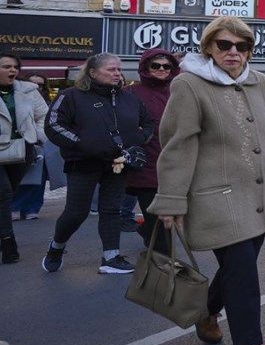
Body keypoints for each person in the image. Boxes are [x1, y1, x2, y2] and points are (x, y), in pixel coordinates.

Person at [150, 16, 265, 345]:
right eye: (224, 45)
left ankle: (207, 312)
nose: (233, 52)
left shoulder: (260, 83)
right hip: (216, 197)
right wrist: (171, 199)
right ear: (208, 47)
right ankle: (250, 344)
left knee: (236, 266)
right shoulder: (189, 86)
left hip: (259, 194)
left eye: (242, 46)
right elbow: (178, 146)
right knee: (243, 269)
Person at [42, 53, 153, 274]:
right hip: (83, 163)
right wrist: (83, 144)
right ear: (92, 73)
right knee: (76, 212)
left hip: (118, 165)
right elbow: (53, 125)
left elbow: (148, 123)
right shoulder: (70, 96)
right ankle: (56, 247)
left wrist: (138, 141)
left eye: (118, 69)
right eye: (111, 69)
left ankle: (110, 258)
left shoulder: (130, 99)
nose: (117, 73)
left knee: (112, 210)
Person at [126, 48, 179, 252]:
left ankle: (150, 235)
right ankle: (162, 270)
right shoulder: (132, 92)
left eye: (167, 66)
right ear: (145, 67)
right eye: (155, 65)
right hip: (146, 164)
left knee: (171, 217)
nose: (162, 69)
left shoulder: (179, 89)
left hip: (176, 164)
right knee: (159, 221)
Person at [0, 54, 49, 263]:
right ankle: (8, 242)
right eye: (6, 66)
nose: (12, 70)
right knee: (4, 193)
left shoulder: (28, 90)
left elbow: (43, 116)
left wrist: (36, 136)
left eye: (15, 67)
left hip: (22, 151)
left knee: (6, 196)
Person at [10, 72, 51, 221]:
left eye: (40, 84)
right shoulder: (19, 96)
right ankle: (15, 207)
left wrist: (40, 135)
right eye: (34, 83)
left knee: (38, 179)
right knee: (22, 178)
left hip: (41, 144)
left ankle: (32, 208)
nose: (37, 87)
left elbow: (44, 118)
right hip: (20, 141)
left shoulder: (47, 101)